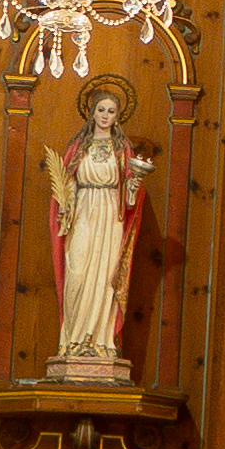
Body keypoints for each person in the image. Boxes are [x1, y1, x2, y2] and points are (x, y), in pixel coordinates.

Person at [44, 86, 152, 381]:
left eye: (111, 111)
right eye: (101, 110)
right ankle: (74, 340)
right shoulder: (78, 146)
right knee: (77, 273)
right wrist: (65, 209)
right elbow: (65, 185)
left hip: (110, 217)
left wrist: (132, 188)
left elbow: (130, 197)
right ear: (91, 113)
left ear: (118, 117)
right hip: (83, 214)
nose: (105, 116)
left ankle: (101, 342)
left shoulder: (122, 149)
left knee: (106, 278)